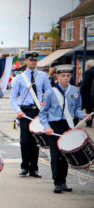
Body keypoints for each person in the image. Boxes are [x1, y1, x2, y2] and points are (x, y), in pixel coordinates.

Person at [39, 64, 92, 193]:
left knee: (66, 155)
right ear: (57, 76)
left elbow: (77, 109)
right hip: (55, 127)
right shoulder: (51, 93)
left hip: (68, 125)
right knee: (56, 155)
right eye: (63, 76)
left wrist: (83, 115)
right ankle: (57, 182)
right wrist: (46, 127)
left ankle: (63, 181)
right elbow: (43, 114)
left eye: (68, 76)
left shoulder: (74, 91)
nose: (66, 78)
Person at [10, 51, 51, 178]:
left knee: (36, 140)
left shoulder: (43, 76)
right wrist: (18, 111)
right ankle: (24, 167)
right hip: (25, 111)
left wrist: (45, 106)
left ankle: (34, 168)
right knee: (25, 141)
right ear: (26, 61)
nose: (33, 62)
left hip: (38, 111)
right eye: (31, 60)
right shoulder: (19, 78)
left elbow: (49, 94)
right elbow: (12, 99)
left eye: (35, 60)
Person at [80, 59, 94, 127]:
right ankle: (89, 123)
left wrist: (80, 91)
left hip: (86, 94)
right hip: (92, 95)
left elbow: (84, 83)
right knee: (90, 109)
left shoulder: (88, 72)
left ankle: (74, 122)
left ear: (88, 65)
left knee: (80, 108)